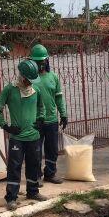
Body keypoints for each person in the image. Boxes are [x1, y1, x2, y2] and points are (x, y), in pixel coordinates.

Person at [0, 59, 46, 210]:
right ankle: (11, 198)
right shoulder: (10, 90)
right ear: (22, 77)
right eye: (29, 80)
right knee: (14, 167)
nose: (30, 83)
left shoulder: (36, 90)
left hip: (34, 137)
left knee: (34, 165)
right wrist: (6, 126)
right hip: (17, 138)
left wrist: (41, 119)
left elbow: (42, 107)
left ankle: (33, 192)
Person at [29, 44, 67, 185]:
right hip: (35, 121)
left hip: (51, 120)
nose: (40, 64)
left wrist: (63, 114)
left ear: (47, 60)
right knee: (35, 151)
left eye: (42, 61)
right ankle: (36, 176)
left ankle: (50, 174)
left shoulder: (53, 77)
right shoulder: (29, 79)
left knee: (52, 150)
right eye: (37, 61)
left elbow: (59, 97)